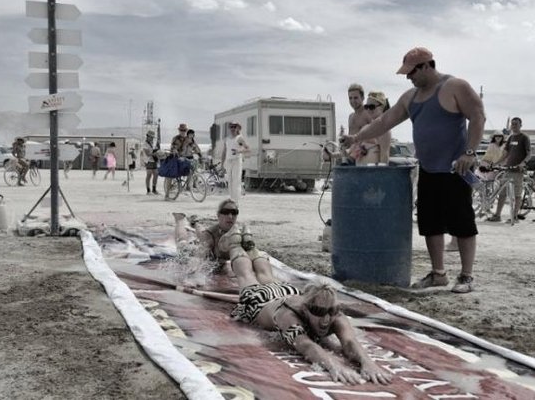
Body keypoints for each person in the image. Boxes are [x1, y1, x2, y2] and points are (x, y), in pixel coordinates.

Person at [199, 199, 393, 385]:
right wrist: (331, 363)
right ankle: (235, 244)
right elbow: (306, 345)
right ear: (307, 308)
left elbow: (350, 342)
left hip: (285, 291)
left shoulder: (332, 312)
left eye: (329, 313)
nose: (325, 320)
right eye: (318, 313)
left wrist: (367, 362)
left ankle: (249, 245)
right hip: (261, 302)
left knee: (266, 275)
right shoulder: (288, 316)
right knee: (246, 275)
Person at [341, 47, 485, 293]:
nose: (409, 77)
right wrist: (355, 138)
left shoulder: (455, 87)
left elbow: (478, 116)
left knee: (462, 223)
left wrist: (469, 153)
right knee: (430, 224)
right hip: (428, 169)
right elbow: (384, 122)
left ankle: (466, 276)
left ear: (427, 66)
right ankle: (438, 274)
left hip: (454, 170)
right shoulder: (410, 97)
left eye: (411, 72)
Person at [488, 117, 531, 223]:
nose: (514, 126)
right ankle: (497, 215)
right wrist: (496, 163)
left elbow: (529, 153)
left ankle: (515, 216)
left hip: (518, 170)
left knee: (517, 194)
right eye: (512, 124)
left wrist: (523, 163)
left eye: (516, 124)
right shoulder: (511, 138)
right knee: (502, 193)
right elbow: (505, 153)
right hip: (508, 169)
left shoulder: (524, 137)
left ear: (521, 125)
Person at [345, 83, 374, 165]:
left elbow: (378, 136)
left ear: (363, 98)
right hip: (350, 158)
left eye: (355, 98)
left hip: (365, 159)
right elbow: (350, 140)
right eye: (350, 98)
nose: (352, 101)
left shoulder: (368, 114)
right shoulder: (350, 117)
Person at [221, 122, 249, 202]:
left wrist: (239, 151)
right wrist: (222, 164)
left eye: (234, 127)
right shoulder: (227, 139)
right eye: (231, 127)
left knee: (236, 181)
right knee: (230, 181)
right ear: (229, 128)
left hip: (236, 160)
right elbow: (224, 152)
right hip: (228, 161)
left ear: (237, 128)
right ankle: (231, 199)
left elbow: (247, 149)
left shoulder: (239, 138)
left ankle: (236, 201)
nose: (233, 128)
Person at [364, 91, 392, 165]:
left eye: (372, 107)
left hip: (373, 173)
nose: (368, 110)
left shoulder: (384, 130)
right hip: (361, 172)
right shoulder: (367, 127)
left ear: (382, 107)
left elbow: (384, 158)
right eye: (366, 107)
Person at [141, 130, 160, 195]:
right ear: (148, 136)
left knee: (156, 174)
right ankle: (148, 190)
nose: (152, 138)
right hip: (148, 161)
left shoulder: (151, 143)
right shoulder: (145, 144)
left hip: (153, 160)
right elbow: (148, 154)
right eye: (151, 137)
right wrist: (156, 153)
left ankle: (154, 189)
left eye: (152, 137)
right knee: (149, 175)